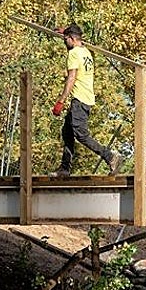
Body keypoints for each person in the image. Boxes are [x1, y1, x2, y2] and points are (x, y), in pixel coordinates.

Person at [51, 23, 119, 176]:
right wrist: (66, 32)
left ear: (72, 39)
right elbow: (75, 40)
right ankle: (65, 168)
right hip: (86, 98)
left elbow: (71, 78)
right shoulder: (86, 52)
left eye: (66, 39)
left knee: (81, 135)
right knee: (67, 131)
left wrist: (61, 101)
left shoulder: (74, 53)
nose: (64, 42)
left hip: (79, 99)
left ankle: (110, 156)